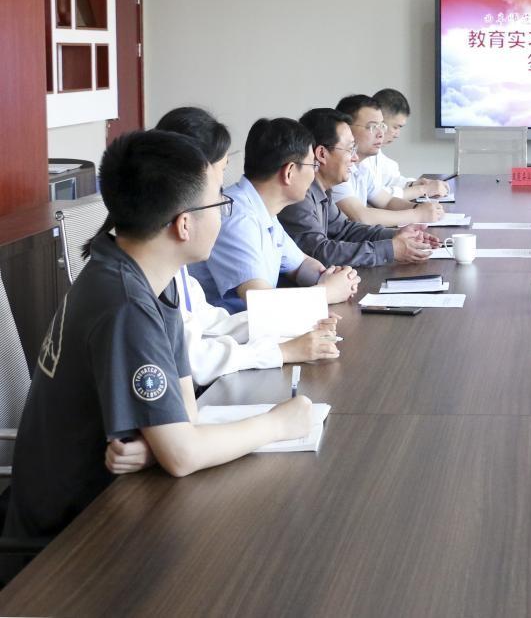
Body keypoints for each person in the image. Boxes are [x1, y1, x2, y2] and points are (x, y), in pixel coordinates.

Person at [3, 131, 314, 542]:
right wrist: (278, 424)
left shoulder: (149, 276)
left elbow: (186, 416)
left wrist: (158, 449)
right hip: (67, 539)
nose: (224, 214)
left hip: (113, 501)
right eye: (219, 201)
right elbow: (184, 455)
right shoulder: (125, 302)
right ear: (184, 224)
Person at [154, 107, 341, 385]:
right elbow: (196, 360)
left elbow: (212, 323)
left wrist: (301, 319)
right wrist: (283, 350)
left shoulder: (173, 265)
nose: (222, 202)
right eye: (219, 181)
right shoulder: (236, 217)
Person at [189, 117, 359, 313]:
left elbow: (300, 264)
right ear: (289, 172)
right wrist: (327, 292)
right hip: (233, 329)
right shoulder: (238, 217)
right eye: (313, 165)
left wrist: (331, 277)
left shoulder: (263, 209)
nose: (315, 174)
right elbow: (261, 304)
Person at [279, 107, 439, 267]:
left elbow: (344, 230)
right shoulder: (299, 194)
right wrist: (390, 249)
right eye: (350, 149)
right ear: (321, 154)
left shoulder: (322, 189)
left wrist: (395, 235)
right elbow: (318, 252)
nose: (355, 158)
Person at [332, 95, 444, 227]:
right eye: (372, 127)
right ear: (346, 129)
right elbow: (361, 216)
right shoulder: (334, 168)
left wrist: (420, 208)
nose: (381, 134)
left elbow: (387, 201)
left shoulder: (361, 167)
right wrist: (417, 214)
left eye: (382, 126)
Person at [371, 88, 450, 200]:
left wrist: (415, 184)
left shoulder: (377, 155)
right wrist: (423, 190)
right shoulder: (358, 155)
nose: (397, 135)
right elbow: (374, 195)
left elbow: (390, 180)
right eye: (395, 127)